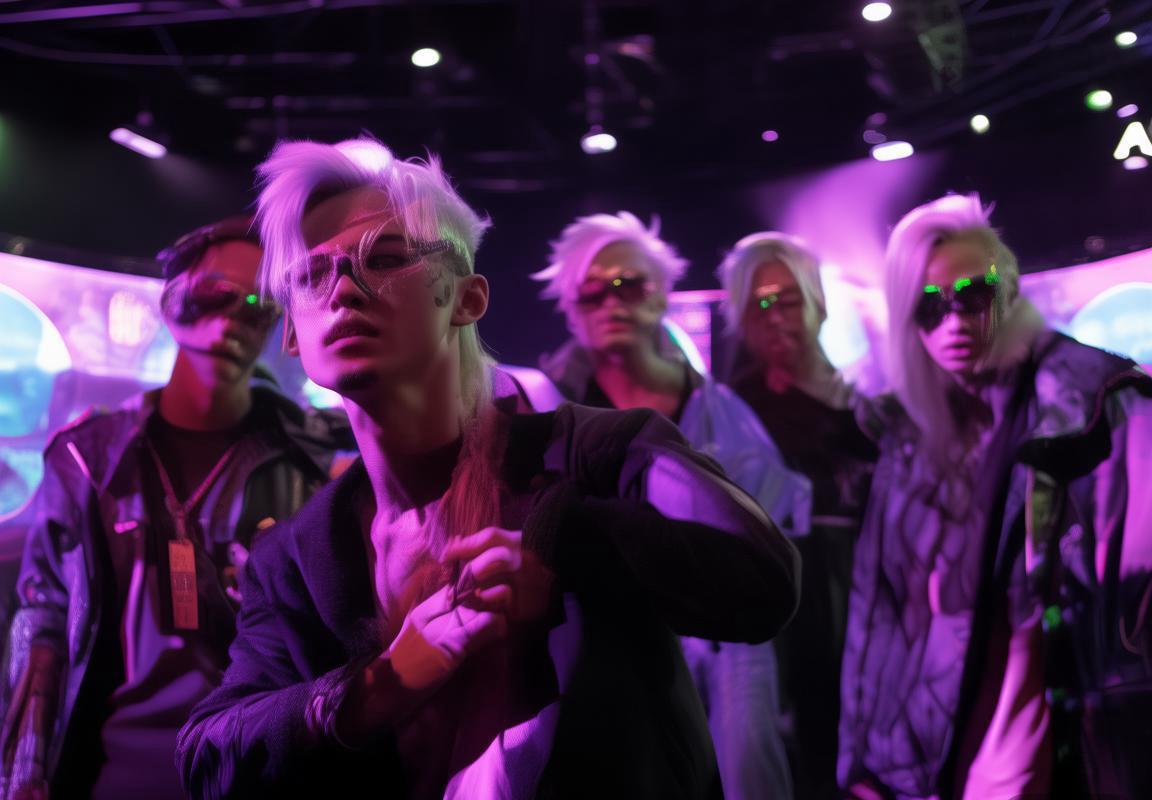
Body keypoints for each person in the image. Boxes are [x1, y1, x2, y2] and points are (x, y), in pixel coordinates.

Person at [175, 138, 801, 799]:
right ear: (293, 336)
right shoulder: (298, 558)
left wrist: (567, 550)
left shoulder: (600, 453)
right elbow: (208, 757)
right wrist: (379, 686)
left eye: (384, 258)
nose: (345, 292)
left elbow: (762, 581)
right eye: (312, 276)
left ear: (468, 299)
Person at [0, 216, 353, 799]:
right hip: (108, 771)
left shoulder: (311, 461)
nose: (232, 318)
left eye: (257, 306)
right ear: (171, 303)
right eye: (213, 294)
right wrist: (26, 770)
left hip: (253, 765)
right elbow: (45, 620)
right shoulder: (87, 459)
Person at [838, 194, 1152, 800]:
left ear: (1008, 290)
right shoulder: (907, 431)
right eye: (929, 306)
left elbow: (1136, 596)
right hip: (935, 747)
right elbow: (877, 612)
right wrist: (861, 762)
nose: (954, 323)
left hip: (1052, 730)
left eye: (972, 295)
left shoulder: (1097, 402)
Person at [533, 211, 809, 800]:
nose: (611, 302)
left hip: (727, 642)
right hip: (600, 645)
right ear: (571, 308)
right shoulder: (545, 413)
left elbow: (762, 542)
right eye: (591, 291)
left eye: (627, 284)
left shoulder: (721, 409)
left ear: (661, 294)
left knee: (746, 763)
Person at [717, 232, 877, 800]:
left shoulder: (870, 406)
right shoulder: (731, 410)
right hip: (784, 610)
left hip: (866, 599)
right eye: (758, 304)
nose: (774, 315)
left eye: (787, 298)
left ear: (818, 302)